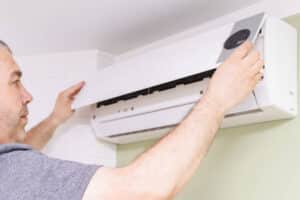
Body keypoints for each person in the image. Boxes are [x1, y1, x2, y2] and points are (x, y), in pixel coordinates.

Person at [0, 39, 264, 200]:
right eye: (15, 81)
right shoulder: (11, 170)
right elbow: (141, 191)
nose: (28, 95)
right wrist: (216, 101)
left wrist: (54, 120)